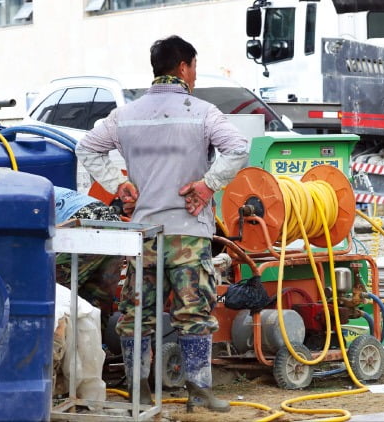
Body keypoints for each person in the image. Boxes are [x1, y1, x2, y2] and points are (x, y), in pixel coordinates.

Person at [75, 35, 249, 413]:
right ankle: (198, 389)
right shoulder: (202, 111)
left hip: (143, 236)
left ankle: (139, 388)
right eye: (195, 68)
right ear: (184, 68)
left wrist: (118, 184)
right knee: (194, 312)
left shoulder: (125, 115)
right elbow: (238, 147)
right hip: (189, 231)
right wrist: (207, 185)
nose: (196, 76)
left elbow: (86, 146)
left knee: (138, 312)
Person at [53, 186, 124, 330]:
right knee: (98, 298)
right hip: (114, 224)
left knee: (54, 291)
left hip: (83, 223)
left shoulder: (9, 198)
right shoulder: (36, 187)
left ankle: (54, 346)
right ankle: (96, 347)